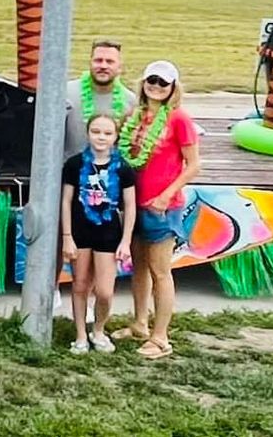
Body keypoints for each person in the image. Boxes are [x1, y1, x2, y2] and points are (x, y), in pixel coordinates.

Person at [119, 60, 202, 360]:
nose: (156, 86)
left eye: (163, 82)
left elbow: (193, 165)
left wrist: (167, 195)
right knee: (138, 267)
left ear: (172, 88)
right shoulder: (136, 117)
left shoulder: (179, 119)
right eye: (151, 80)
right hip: (135, 203)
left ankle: (161, 336)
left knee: (160, 271)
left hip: (162, 207)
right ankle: (140, 322)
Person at [61, 112, 136, 354]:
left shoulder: (123, 169)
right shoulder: (74, 165)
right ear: (87, 134)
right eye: (96, 132)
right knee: (80, 285)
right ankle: (81, 334)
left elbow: (131, 206)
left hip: (108, 234)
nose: (101, 137)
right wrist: (67, 237)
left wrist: (126, 241)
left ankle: (99, 330)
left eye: (107, 133)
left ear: (115, 137)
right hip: (80, 232)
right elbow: (66, 201)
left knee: (104, 290)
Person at [64, 40, 138, 158]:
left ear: (119, 67)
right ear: (90, 63)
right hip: (67, 171)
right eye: (98, 60)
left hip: (109, 173)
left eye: (110, 62)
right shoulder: (65, 92)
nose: (103, 66)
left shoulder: (131, 101)